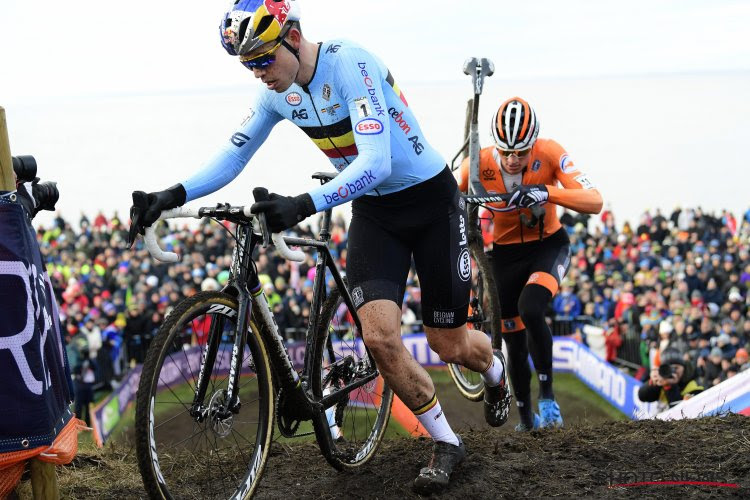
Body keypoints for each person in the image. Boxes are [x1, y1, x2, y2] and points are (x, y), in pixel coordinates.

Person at [126, 0, 510, 493]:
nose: (258, 73)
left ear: (292, 36)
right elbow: (233, 154)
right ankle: (446, 440)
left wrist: (303, 203)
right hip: (377, 214)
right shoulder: (276, 94)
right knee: (378, 337)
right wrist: (170, 195)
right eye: (248, 65)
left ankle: (495, 369)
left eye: (263, 59)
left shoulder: (349, 64)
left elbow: (378, 162)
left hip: (431, 202)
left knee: (450, 344)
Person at [455, 96, 603, 431]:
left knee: (531, 307)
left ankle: (548, 396)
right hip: (504, 255)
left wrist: (548, 192)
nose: (512, 159)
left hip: (548, 247)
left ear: (533, 143)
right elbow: (444, 195)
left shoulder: (549, 152)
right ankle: (525, 419)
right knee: (514, 343)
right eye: (506, 151)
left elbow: (594, 200)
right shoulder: (478, 163)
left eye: (521, 151)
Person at [638, 348, 703, 407]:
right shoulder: (662, 379)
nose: (673, 372)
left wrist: (670, 386)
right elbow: (642, 396)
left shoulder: (694, 383)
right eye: (669, 368)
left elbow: (680, 412)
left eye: (676, 368)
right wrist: (653, 382)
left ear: (684, 367)